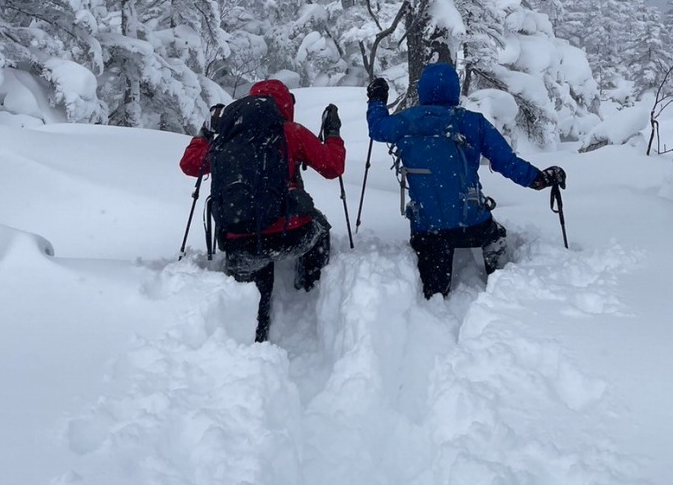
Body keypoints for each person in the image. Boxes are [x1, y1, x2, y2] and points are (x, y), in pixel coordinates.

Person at [366, 62, 565, 299]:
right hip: (471, 223)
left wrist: (377, 99)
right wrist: (538, 179)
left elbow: (376, 128)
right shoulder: (472, 122)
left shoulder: (404, 122)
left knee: (434, 295)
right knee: (494, 235)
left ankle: (433, 303)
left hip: (427, 228)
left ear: (423, 91)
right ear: (454, 90)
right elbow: (506, 162)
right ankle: (503, 284)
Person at [180, 79, 346, 342]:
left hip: (239, 238)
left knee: (253, 288)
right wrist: (333, 135)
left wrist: (204, 134)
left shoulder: (228, 137)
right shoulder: (291, 132)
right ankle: (309, 287)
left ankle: (253, 337)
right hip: (290, 235)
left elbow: (190, 165)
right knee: (319, 228)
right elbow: (333, 167)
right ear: (284, 104)